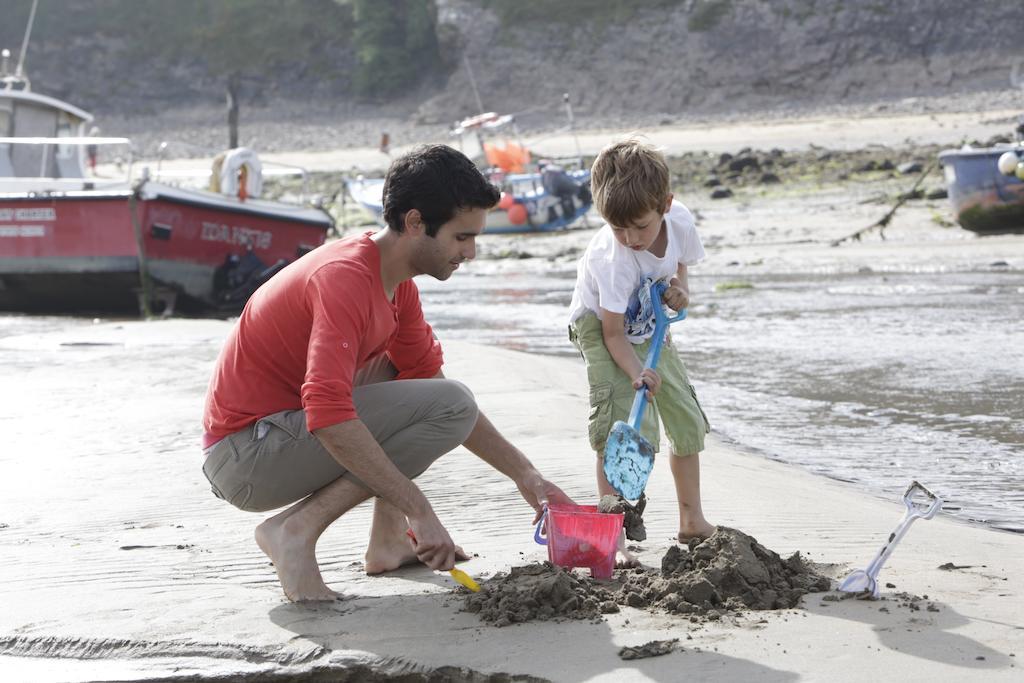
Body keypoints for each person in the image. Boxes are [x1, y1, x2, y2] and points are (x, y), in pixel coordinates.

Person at [201, 144, 572, 602]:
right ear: (415, 223)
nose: (471, 252)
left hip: (274, 437)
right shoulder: (345, 279)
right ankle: (294, 532)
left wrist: (527, 476)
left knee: (421, 386)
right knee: (446, 404)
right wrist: (420, 508)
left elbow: (430, 388)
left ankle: (389, 541)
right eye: (461, 238)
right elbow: (330, 415)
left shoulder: (394, 283)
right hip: (245, 458)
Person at [567, 138, 715, 545]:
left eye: (640, 227)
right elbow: (613, 334)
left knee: (684, 419)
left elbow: (679, 264)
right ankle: (609, 538)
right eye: (618, 228)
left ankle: (692, 521)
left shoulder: (680, 221)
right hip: (601, 328)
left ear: (666, 205)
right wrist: (637, 374)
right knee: (623, 423)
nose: (630, 238)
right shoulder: (611, 260)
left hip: (649, 323)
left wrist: (679, 288)